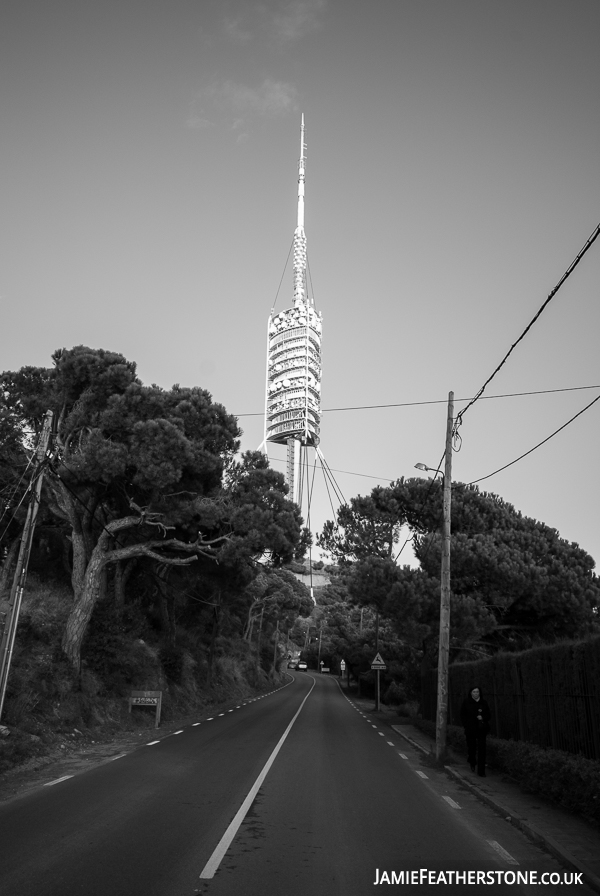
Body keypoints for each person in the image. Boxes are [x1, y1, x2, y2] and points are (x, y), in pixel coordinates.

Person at [460, 686, 491, 776]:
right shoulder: (467, 702)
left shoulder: (483, 703)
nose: (476, 693)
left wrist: (483, 718)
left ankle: (481, 771)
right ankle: (472, 762)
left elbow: (489, 715)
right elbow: (462, 714)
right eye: (474, 692)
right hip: (470, 728)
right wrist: (466, 725)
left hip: (481, 729)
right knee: (472, 747)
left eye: (477, 692)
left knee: (482, 749)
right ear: (471, 693)